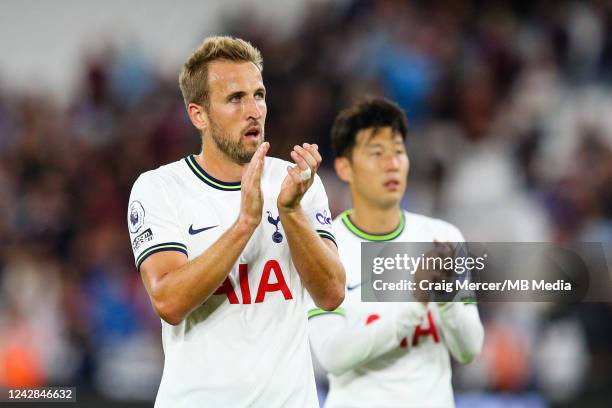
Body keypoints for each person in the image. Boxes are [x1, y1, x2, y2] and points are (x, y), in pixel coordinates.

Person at [127, 36, 345, 407]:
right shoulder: (160, 189)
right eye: (235, 98)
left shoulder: (297, 181)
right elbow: (169, 300)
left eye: (258, 95)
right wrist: (245, 223)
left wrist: (291, 213)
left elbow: (331, 294)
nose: (254, 110)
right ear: (199, 115)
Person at [308, 97, 484, 407]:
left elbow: (469, 348)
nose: (392, 163)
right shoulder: (325, 247)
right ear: (344, 168)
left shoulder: (442, 237)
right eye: (376, 153)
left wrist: (446, 300)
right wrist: (415, 304)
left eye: (399, 152)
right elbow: (331, 355)